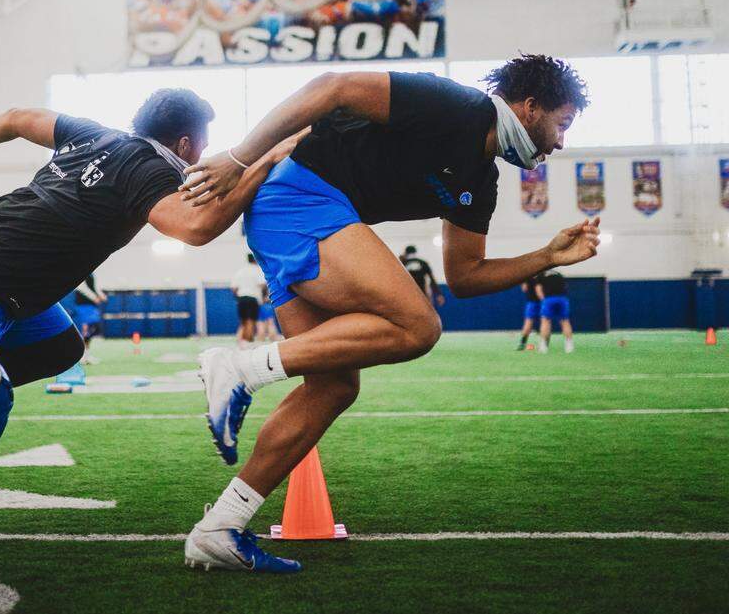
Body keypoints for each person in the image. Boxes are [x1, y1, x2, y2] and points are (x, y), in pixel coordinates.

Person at [177, 55, 598, 572]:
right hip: (297, 198)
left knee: (332, 387)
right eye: (562, 125)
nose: (560, 143)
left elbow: (465, 276)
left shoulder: (481, 180)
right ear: (530, 108)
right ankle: (238, 369)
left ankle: (220, 527)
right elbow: (334, 86)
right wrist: (240, 158)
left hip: (303, 213)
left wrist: (548, 257)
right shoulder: (459, 107)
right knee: (419, 326)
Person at [0, 90, 305, 388]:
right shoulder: (151, 170)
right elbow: (196, 228)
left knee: (61, 348)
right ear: (185, 143)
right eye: (203, 141)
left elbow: (17, 117)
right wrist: (262, 161)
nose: (205, 151)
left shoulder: (92, 133)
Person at [230, 254, 267, 347]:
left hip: (241, 298)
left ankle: (242, 344)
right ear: (256, 260)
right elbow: (263, 284)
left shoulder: (240, 272)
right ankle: (248, 344)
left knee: (243, 322)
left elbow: (234, 288)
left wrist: (238, 298)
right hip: (252, 298)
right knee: (251, 321)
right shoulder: (257, 270)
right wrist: (264, 296)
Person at [535, 269, 574, 353]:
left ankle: (543, 346)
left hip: (549, 299)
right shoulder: (558, 273)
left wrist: (543, 301)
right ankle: (569, 346)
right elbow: (565, 286)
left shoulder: (541, 274)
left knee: (545, 321)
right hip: (562, 299)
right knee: (565, 321)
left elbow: (538, 290)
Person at [73, 272, 107, 364]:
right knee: (86, 330)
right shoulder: (81, 269)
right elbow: (81, 287)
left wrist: (100, 294)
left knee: (91, 329)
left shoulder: (91, 270)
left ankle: (86, 355)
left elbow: (93, 285)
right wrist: (94, 297)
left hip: (90, 305)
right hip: (83, 305)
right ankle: (82, 356)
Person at [517, 272, 542, 350]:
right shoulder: (542, 275)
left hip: (531, 302)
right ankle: (542, 345)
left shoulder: (528, 275)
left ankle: (522, 344)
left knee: (528, 322)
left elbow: (524, 288)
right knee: (544, 322)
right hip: (542, 302)